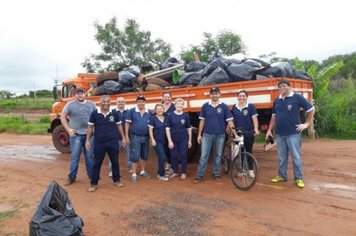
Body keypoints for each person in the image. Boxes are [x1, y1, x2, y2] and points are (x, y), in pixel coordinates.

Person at [266, 79, 315, 188]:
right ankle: (282, 176)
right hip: (279, 134)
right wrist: (269, 130)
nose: (282, 88)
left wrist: (306, 124)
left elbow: (311, 109)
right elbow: (274, 117)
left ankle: (299, 178)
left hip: (293, 133)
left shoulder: (297, 98)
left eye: (284, 85)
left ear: (290, 87)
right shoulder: (277, 101)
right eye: (280, 86)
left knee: (296, 156)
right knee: (282, 157)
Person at [194, 87, 237, 184]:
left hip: (220, 135)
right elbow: (202, 121)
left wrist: (235, 134)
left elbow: (229, 121)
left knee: (218, 155)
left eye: (216, 93)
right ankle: (199, 175)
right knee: (204, 155)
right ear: (210, 95)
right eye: (212, 93)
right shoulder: (205, 106)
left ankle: (216, 174)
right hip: (207, 134)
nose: (214, 95)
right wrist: (199, 135)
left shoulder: (224, 107)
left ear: (219, 94)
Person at [86, 95, 126, 192]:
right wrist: (87, 140)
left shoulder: (114, 113)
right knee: (97, 163)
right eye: (104, 101)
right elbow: (90, 127)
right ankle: (93, 183)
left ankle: (117, 180)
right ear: (100, 102)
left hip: (113, 142)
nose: (106, 103)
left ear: (110, 102)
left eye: (108, 101)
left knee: (115, 162)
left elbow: (119, 126)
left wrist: (123, 138)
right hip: (99, 143)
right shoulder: (94, 114)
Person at [60, 88, 97, 186]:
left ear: (85, 94)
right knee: (75, 157)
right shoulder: (70, 105)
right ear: (75, 95)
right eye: (78, 94)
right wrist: (68, 130)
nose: (80, 95)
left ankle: (92, 175)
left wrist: (95, 128)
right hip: (76, 135)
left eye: (82, 93)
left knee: (89, 156)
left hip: (89, 135)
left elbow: (97, 116)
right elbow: (62, 117)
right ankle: (72, 177)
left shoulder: (91, 104)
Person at [231, 90, 260, 178]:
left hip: (248, 133)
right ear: (237, 97)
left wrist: (256, 129)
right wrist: (228, 127)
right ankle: (242, 170)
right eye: (240, 96)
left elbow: (254, 118)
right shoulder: (234, 107)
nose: (241, 97)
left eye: (243, 96)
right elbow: (231, 119)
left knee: (248, 152)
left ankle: (250, 170)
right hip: (238, 133)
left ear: (246, 97)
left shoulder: (251, 106)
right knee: (239, 152)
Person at [125, 95, 152, 183]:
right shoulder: (132, 111)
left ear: (145, 102)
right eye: (139, 101)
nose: (141, 103)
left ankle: (143, 171)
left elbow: (151, 126)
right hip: (135, 136)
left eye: (142, 101)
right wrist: (126, 136)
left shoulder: (149, 112)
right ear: (136, 103)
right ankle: (133, 174)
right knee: (135, 155)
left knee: (144, 154)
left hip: (146, 136)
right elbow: (127, 124)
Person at [166, 98, 192, 180]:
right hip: (173, 139)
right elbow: (167, 129)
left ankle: (183, 172)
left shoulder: (186, 116)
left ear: (183, 106)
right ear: (175, 105)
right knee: (174, 155)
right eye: (178, 104)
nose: (180, 106)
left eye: (181, 104)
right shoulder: (170, 115)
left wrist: (190, 140)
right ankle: (175, 172)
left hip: (183, 139)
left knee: (183, 155)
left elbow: (189, 128)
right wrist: (169, 141)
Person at [108, 97, 132, 176]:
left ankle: (130, 168)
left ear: (125, 102)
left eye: (122, 102)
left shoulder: (128, 112)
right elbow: (110, 125)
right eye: (119, 102)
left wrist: (126, 137)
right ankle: (111, 170)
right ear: (116, 103)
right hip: (115, 137)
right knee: (113, 154)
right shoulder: (112, 112)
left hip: (127, 137)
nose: (121, 103)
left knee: (129, 154)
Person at [148, 104, 170, 181]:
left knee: (163, 157)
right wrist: (152, 139)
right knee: (162, 157)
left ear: (163, 110)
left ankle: (159, 172)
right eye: (158, 109)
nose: (159, 110)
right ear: (155, 110)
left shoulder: (166, 118)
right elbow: (150, 130)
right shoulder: (153, 118)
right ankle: (161, 175)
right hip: (157, 141)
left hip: (165, 141)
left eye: (161, 109)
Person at [162, 92, 175, 174]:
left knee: (172, 148)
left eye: (168, 97)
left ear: (171, 98)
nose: (167, 98)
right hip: (162, 131)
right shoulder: (160, 106)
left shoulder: (174, 106)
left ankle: (174, 165)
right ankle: (169, 163)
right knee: (165, 148)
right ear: (162, 98)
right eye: (165, 97)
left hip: (171, 131)